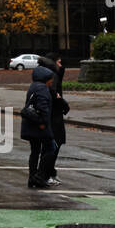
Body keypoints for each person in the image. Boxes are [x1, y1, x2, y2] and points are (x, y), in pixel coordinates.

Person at [21, 64, 57, 189]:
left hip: (30, 125)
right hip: (39, 126)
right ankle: (40, 177)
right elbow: (43, 108)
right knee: (51, 148)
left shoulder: (34, 86)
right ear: (46, 78)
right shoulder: (42, 89)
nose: (52, 81)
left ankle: (32, 178)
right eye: (51, 79)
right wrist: (44, 123)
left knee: (35, 151)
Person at [39, 53, 68, 186]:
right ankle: (46, 174)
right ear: (54, 62)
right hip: (54, 115)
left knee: (52, 145)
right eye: (59, 62)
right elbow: (54, 93)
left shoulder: (49, 75)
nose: (61, 65)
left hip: (52, 114)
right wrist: (63, 104)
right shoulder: (52, 76)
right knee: (53, 145)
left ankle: (48, 172)